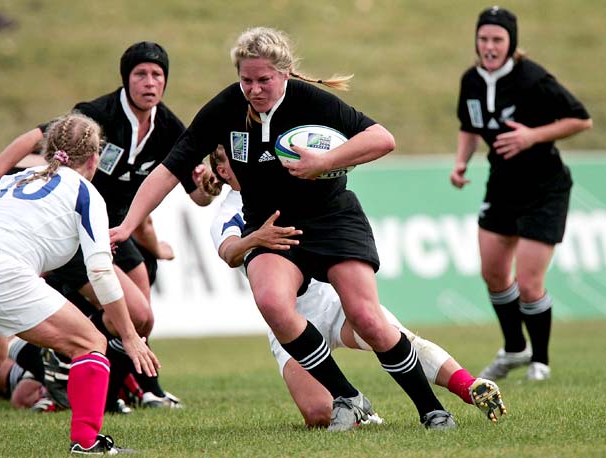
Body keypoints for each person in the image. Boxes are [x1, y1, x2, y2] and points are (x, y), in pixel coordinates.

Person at [111, 27, 456, 430]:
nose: (254, 90)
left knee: (368, 318)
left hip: (332, 219)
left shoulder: (311, 101)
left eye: (264, 80)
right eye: (246, 80)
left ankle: (432, 409)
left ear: (286, 73)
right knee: (273, 303)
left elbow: (382, 138)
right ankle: (348, 395)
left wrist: (323, 163)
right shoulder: (225, 108)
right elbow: (170, 170)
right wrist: (128, 225)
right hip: (271, 225)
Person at [0, 41, 208, 408]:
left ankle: (137, 387)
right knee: (133, 314)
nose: (150, 82)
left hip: (112, 229)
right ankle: (63, 371)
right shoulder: (95, 116)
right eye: (141, 73)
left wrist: (211, 181)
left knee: (144, 311)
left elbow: (198, 196)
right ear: (126, 79)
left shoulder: (169, 126)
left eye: (158, 75)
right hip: (74, 227)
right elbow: (33, 138)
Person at [204, 144, 506, 425]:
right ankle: (364, 413)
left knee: (388, 334)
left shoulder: (278, 186)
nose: (249, 159)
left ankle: (468, 387)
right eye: (235, 157)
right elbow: (229, 252)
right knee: (318, 413)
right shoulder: (229, 212)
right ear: (223, 171)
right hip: (289, 319)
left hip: (330, 298)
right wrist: (256, 238)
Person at [0, 113, 160, 454]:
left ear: (49, 152)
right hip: (0, 271)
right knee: (90, 343)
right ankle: (88, 443)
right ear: (94, 158)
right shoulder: (85, 192)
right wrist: (130, 337)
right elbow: (101, 272)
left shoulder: (11, 180)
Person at [450, 6, 592, 382]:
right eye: (484, 39)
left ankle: (540, 362)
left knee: (529, 284)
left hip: (545, 188)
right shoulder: (471, 80)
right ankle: (515, 348)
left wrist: (532, 135)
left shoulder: (533, 78)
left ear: (511, 43)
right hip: (502, 185)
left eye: (497, 39)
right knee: (493, 273)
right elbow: (469, 124)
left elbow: (581, 118)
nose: (489, 46)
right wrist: (461, 162)